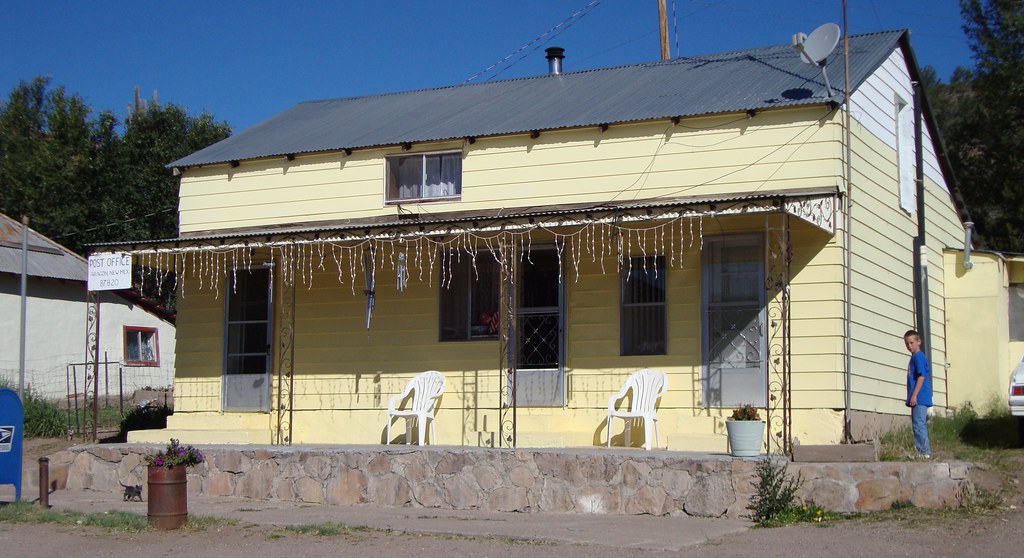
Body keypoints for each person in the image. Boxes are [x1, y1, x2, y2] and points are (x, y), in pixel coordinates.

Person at [903, 329, 932, 459]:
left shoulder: (918, 357)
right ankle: (922, 451)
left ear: (918, 342)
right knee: (917, 424)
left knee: (919, 424)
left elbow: (921, 377)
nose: (909, 346)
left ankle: (924, 452)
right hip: (918, 396)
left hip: (920, 396)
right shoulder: (914, 357)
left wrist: (914, 395)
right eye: (907, 343)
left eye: (911, 342)